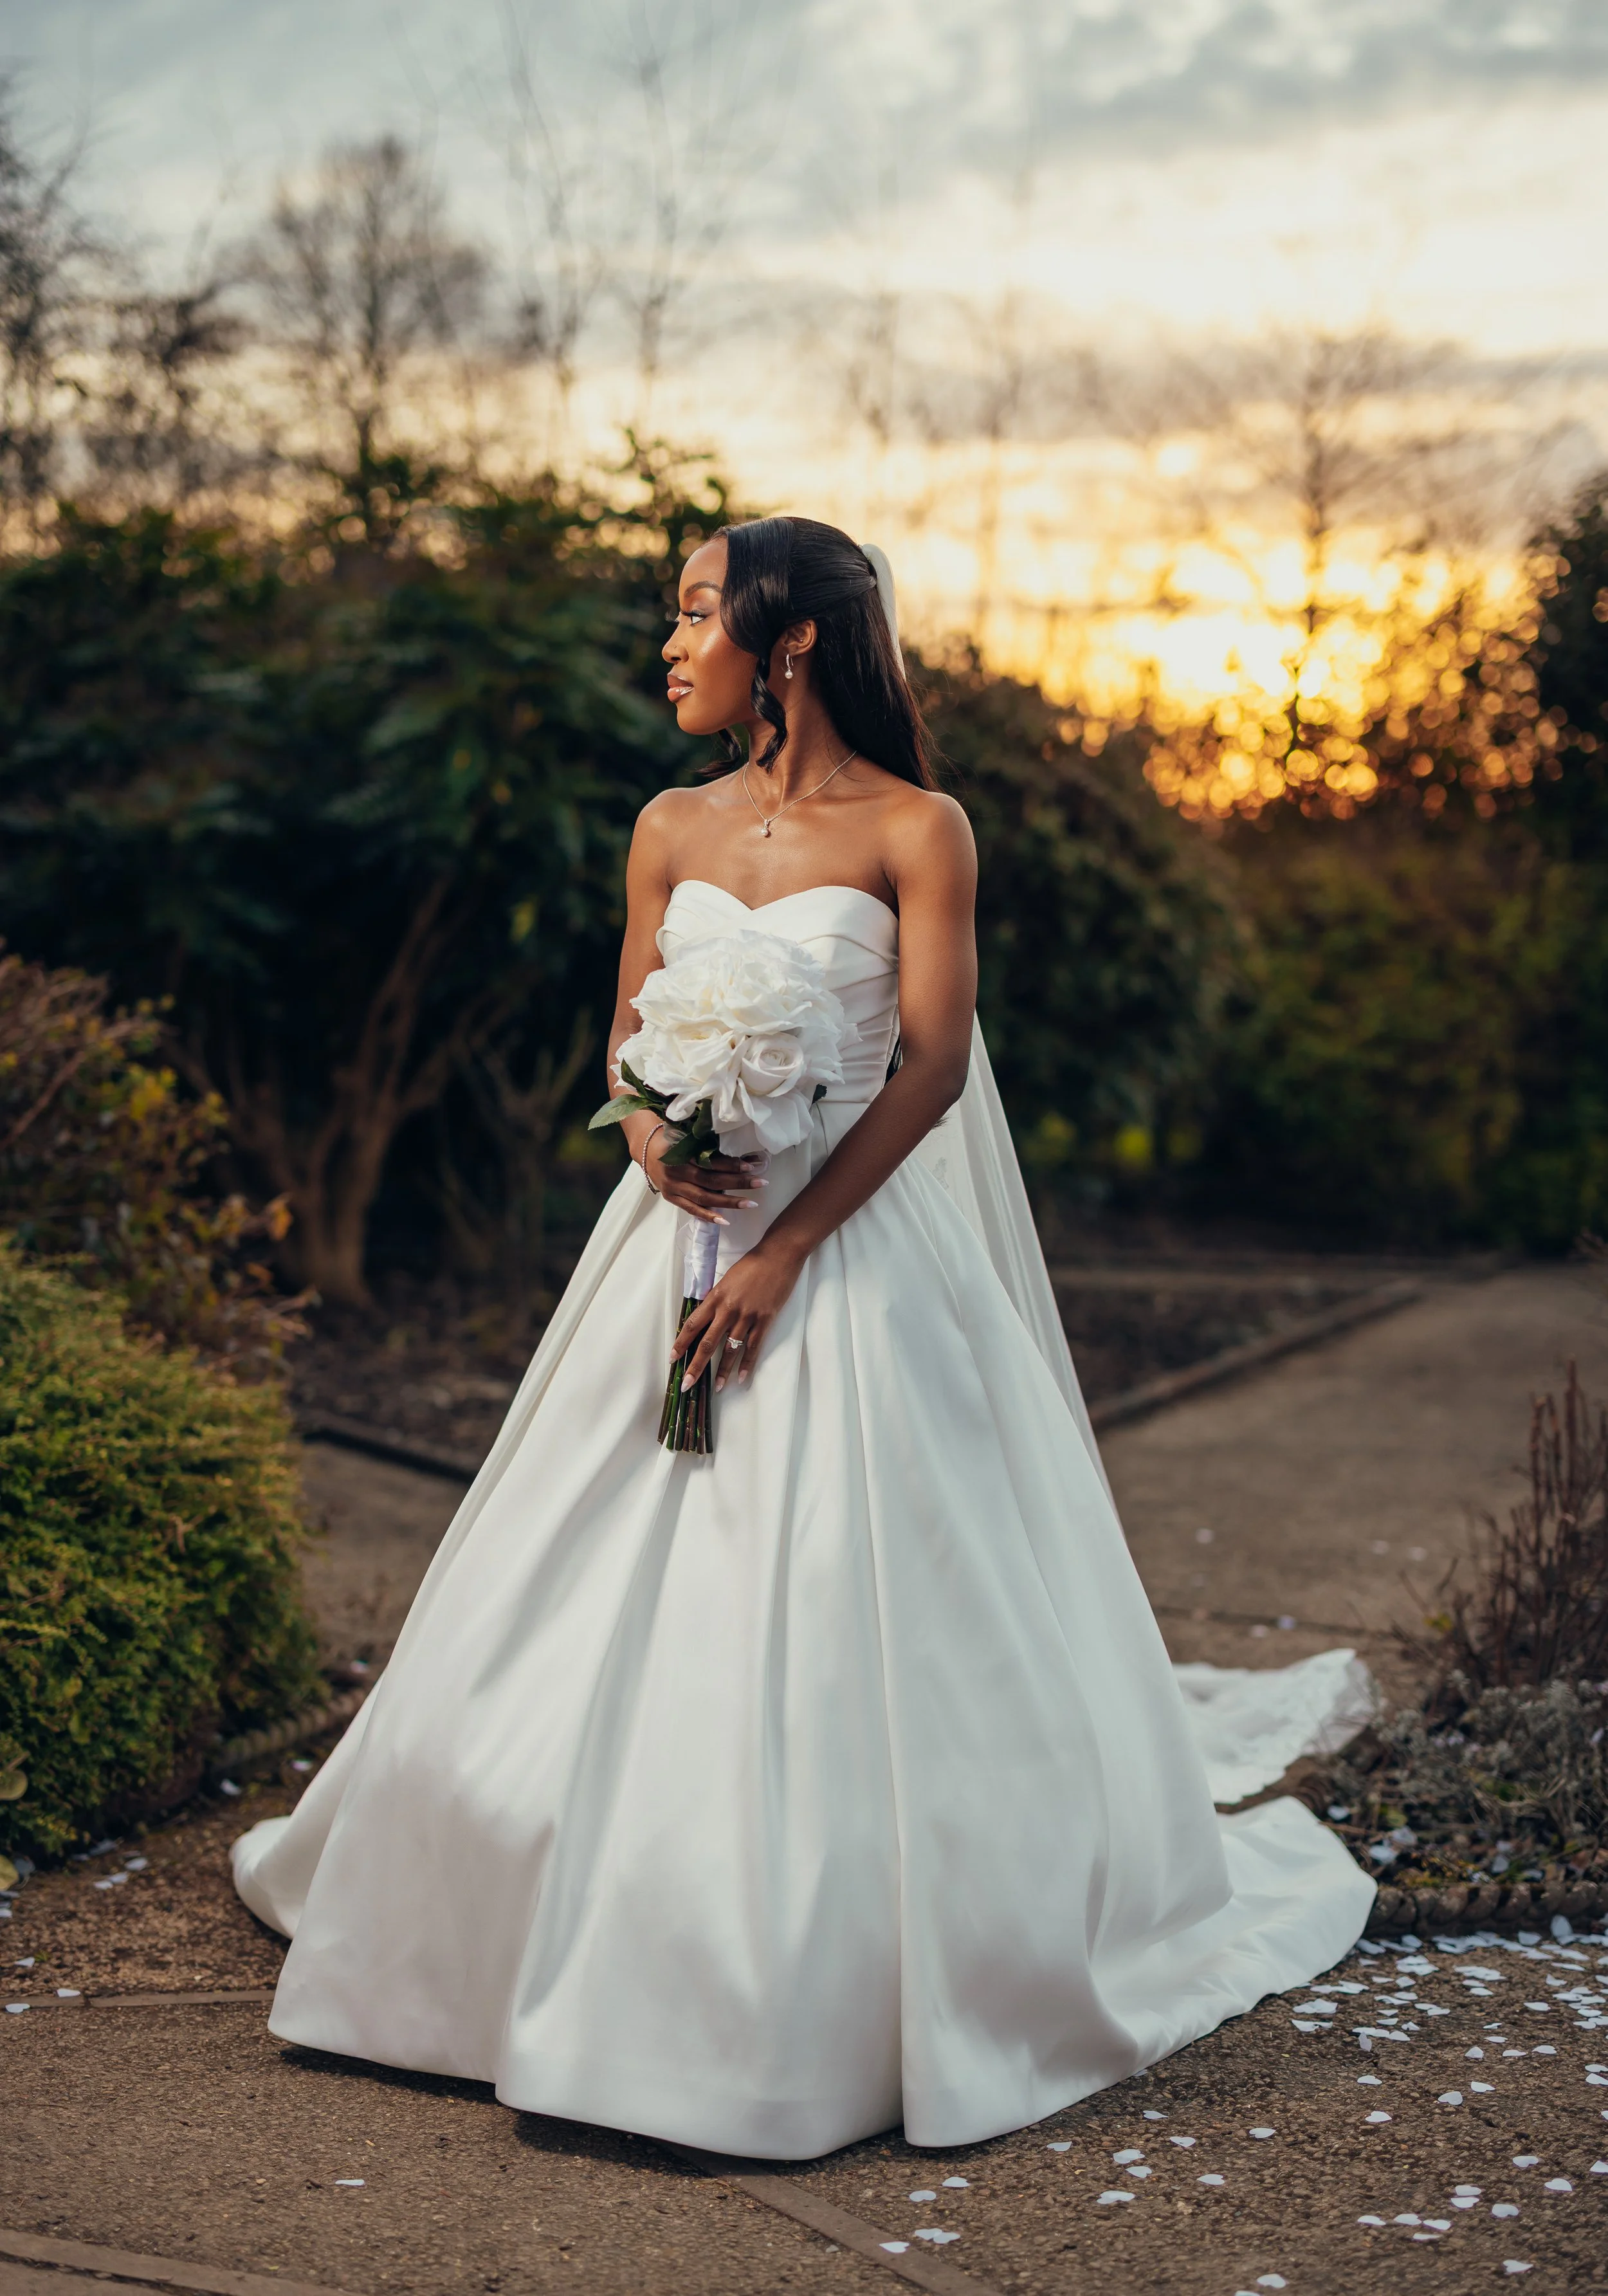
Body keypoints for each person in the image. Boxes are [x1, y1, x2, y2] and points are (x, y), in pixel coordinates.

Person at [233, 516, 1372, 2161]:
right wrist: (655, 1146)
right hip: (666, 1245)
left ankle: (801, 1978)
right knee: (570, 1566)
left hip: (849, 1254)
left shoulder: (922, 828)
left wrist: (778, 1250)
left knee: (848, 1581)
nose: (668, 643)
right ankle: (497, 1929)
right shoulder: (666, 823)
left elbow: (927, 1067)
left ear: (788, 642)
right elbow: (628, 1043)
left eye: (695, 611)